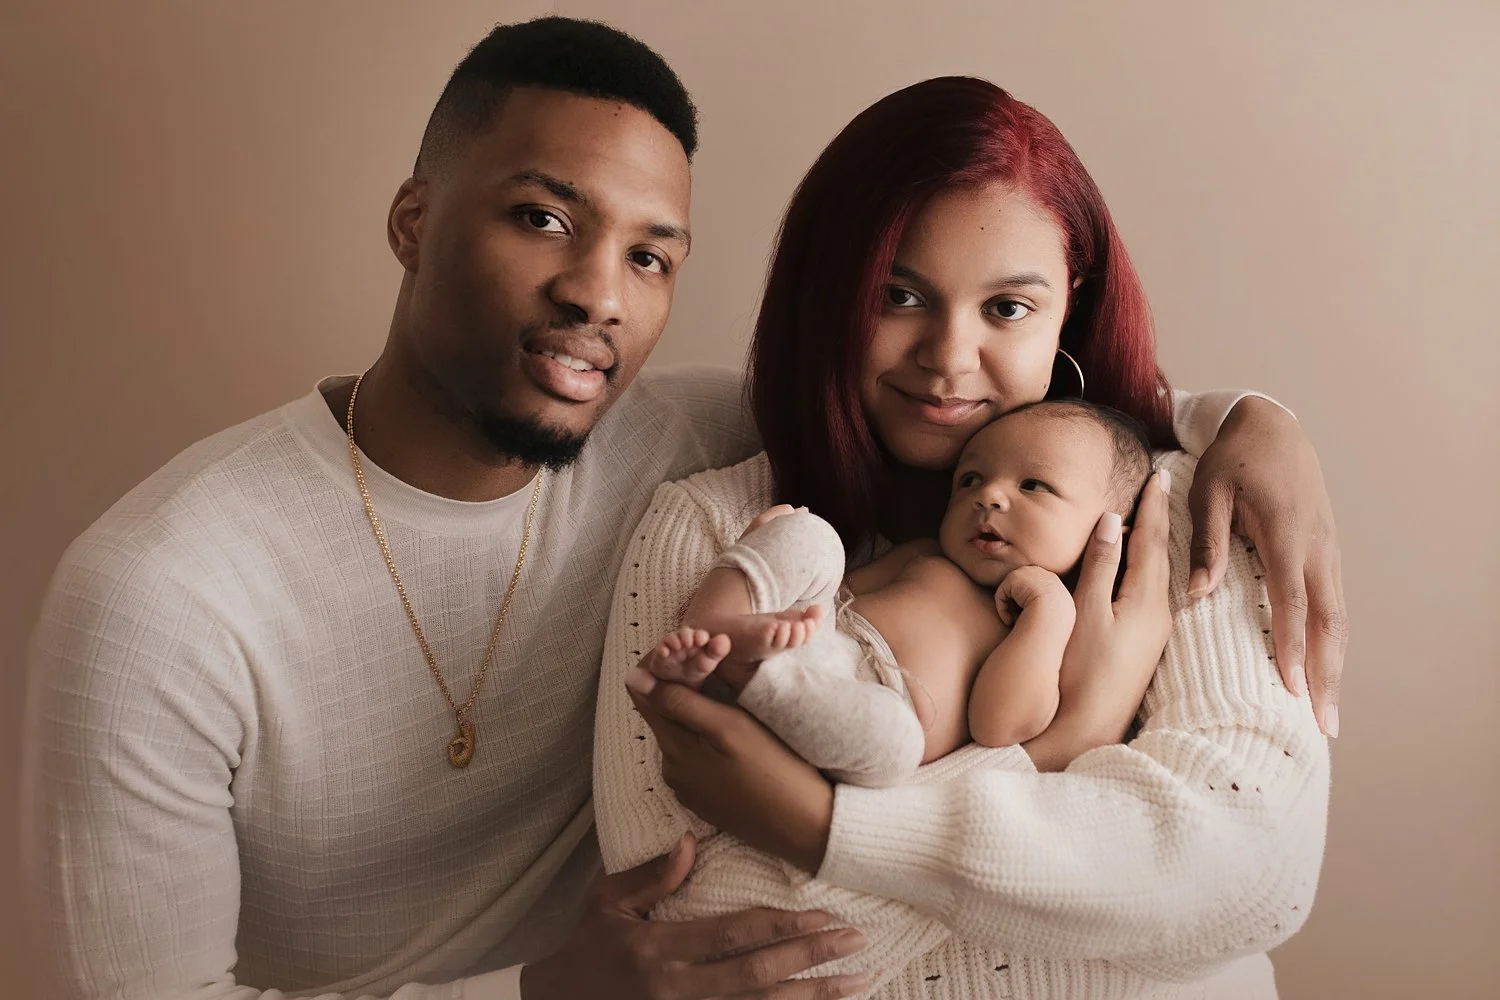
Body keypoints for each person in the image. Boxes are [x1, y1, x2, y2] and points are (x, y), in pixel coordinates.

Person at [20, 16, 1342, 1000]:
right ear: (413, 220)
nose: (598, 292)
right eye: (543, 219)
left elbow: (1250, 871)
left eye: (651, 255)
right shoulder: (160, 599)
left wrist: (1250, 421)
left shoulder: (687, 434)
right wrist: (541, 995)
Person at [597, 77, 1337, 998]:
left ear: (1069, 310)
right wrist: (1068, 742)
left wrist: (819, 829)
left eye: (1007, 308)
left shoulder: (1175, 507)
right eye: (898, 295)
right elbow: (697, 930)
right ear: (828, 295)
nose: (948, 357)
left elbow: (1249, 880)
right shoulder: (719, 533)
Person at [638, 400, 1158, 790]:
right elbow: (835, 595)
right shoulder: (925, 553)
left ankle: (755, 672)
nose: (988, 496)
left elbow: (998, 725)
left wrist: (1049, 612)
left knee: (897, 742)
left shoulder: (1049, 628)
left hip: (869, 710)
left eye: (1033, 486)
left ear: (1108, 531)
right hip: (815, 641)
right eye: (970, 480)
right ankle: (717, 624)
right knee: (811, 535)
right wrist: (777, 558)